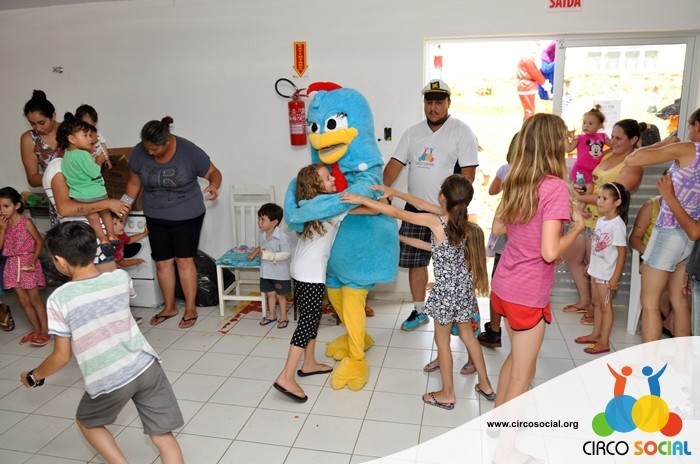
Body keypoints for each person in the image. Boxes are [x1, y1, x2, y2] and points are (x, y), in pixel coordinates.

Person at [20, 221, 184, 464]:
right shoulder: (119, 278)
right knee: (162, 435)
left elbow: (61, 357)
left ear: (59, 260)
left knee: (88, 422)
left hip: (109, 378)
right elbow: (105, 283)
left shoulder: (59, 299)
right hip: (146, 366)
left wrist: (34, 376)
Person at [342, 174, 495, 409]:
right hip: (463, 288)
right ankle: (486, 385)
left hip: (447, 292)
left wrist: (361, 199)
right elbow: (422, 205)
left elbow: (397, 213)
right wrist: (395, 193)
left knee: (442, 341)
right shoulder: (460, 219)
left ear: (442, 197)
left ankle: (447, 393)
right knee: (468, 336)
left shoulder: (437, 221)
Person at [490, 114, 583, 464]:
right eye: (564, 137)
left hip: (505, 284)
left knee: (515, 357)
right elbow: (549, 251)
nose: (569, 141)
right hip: (528, 291)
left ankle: (498, 423)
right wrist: (577, 229)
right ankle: (506, 452)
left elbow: (498, 226)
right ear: (552, 142)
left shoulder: (517, 178)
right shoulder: (553, 186)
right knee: (523, 374)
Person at [383, 79, 479, 331]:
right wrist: (385, 191)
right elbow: (394, 165)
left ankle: (460, 313)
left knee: (457, 264)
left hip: (448, 213)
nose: (433, 108)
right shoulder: (412, 133)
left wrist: (455, 208)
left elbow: (468, 175)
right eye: (429, 102)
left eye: (438, 102)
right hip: (415, 210)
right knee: (416, 263)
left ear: (448, 103)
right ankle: (419, 311)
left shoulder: (461, 131)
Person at [274, 164, 369, 402]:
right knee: (307, 323)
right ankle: (286, 376)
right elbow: (366, 209)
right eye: (327, 179)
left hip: (300, 269)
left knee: (312, 318)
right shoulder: (332, 207)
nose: (333, 180)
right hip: (310, 273)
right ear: (316, 186)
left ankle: (309, 363)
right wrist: (371, 197)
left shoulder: (311, 207)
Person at [124, 116, 222, 329]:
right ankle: (169, 307)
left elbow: (214, 172)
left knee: (184, 261)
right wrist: (123, 207)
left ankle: (190, 308)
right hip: (155, 214)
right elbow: (133, 184)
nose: (150, 153)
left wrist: (214, 185)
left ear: (167, 141)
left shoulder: (188, 151)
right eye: (147, 149)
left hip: (187, 215)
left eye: (154, 149)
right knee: (162, 262)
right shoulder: (139, 152)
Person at [626, 108, 700, 341]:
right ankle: (681, 358)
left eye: (689, 126)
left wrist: (664, 143)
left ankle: (650, 361)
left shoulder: (689, 149)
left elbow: (632, 159)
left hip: (668, 231)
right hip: (689, 238)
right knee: (679, 301)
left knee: (649, 302)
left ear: (697, 126)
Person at [565, 119, 644, 321]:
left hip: (605, 224)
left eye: (618, 138)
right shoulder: (607, 154)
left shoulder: (633, 165)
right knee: (572, 258)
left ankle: (596, 308)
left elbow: (612, 196)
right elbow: (592, 179)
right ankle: (585, 300)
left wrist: (579, 198)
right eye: (612, 136)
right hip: (586, 217)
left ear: (633, 140)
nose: (613, 141)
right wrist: (580, 190)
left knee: (597, 269)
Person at [575, 182, 629, 354]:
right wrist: (590, 265)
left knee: (606, 307)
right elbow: (597, 246)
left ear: (617, 202)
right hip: (596, 271)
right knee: (597, 304)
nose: (599, 201)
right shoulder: (600, 221)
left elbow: (622, 253)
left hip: (607, 274)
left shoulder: (617, 225)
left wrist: (615, 277)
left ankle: (604, 342)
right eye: (599, 197)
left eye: (604, 198)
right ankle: (595, 334)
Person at [57, 112, 119, 256]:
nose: (90, 139)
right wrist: (99, 161)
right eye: (85, 136)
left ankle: (102, 239)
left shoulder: (66, 155)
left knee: (92, 217)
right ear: (72, 139)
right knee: (105, 211)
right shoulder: (83, 154)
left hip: (79, 196)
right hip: (95, 192)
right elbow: (94, 172)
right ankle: (111, 235)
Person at [479, 132, 518, 349]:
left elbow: (493, 190)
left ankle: (494, 330)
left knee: (498, 281)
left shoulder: (506, 169)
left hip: (506, 227)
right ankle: (518, 328)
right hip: (529, 236)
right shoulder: (539, 175)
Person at [0, 187, 49, 346]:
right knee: (23, 301)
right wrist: (2, 230)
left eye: (6, 206)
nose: (2, 210)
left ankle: (45, 331)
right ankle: (36, 329)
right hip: (12, 265)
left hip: (27, 262)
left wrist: (33, 261)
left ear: (17, 206)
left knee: (34, 299)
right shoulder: (2, 224)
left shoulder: (26, 222)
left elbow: (39, 242)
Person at [20, 90, 63, 225]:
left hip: (82, 193)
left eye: (41, 122)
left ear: (53, 115)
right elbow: (33, 179)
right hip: (57, 199)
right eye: (32, 124)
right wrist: (58, 178)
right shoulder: (29, 139)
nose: (37, 128)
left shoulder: (70, 130)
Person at [247, 203, 292, 329]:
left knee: (280, 296)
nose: (259, 222)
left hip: (279, 273)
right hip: (266, 272)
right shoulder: (262, 234)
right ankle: (272, 315)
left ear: (274, 222)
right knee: (270, 294)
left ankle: (284, 317)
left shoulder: (282, 238)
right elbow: (262, 246)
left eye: (262, 219)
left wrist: (269, 256)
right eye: (259, 219)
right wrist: (254, 253)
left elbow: (286, 254)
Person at [566, 105, 610, 196]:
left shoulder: (602, 136)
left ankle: (579, 204)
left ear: (600, 125)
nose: (586, 125)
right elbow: (568, 149)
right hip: (579, 170)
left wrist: (604, 153)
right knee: (586, 189)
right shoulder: (579, 138)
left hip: (593, 171)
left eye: (590, 123)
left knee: (585, 190)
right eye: (584, 122)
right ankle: (579, 204)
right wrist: (564, 137)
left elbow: (614, 146)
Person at [516, 44, 550, 120]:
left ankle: (527, 126)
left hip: (525, 85)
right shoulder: (527, 58)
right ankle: (529, 126)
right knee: (530, 112)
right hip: (528, 86)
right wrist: (545, 84)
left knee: (529, 111)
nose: (538, 48)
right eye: (537, 45)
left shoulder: (525, 58)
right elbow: (535, 73)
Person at [75, 104, 112, 170]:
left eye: (93, 127)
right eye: (87, 126)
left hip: (97, 162)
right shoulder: (77, 137)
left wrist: (107, 159)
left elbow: (103, 144)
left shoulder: (97, 133)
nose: (90, 130)